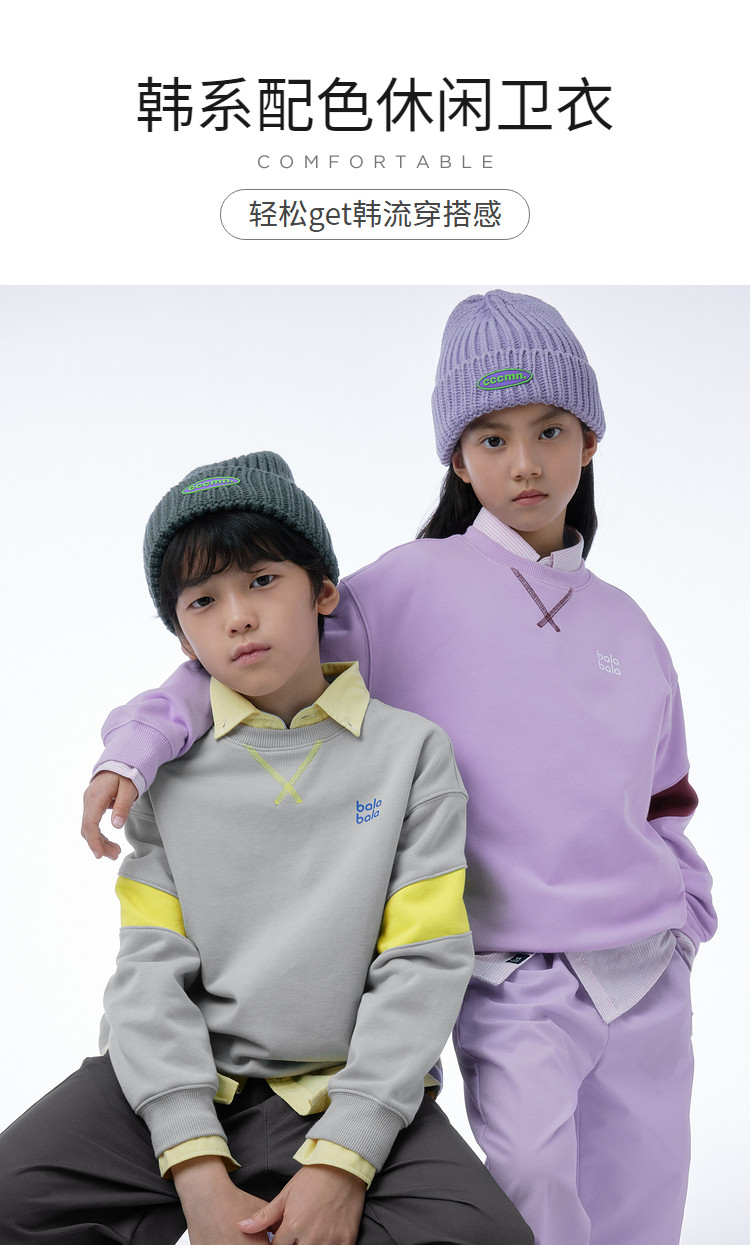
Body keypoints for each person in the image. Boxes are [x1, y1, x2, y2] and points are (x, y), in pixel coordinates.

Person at [80, 292, 717, 1245]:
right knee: (534, 1184)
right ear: (458, 459)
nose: (526, 462)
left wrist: (687, 910)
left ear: (590, 441)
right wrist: (133, 746)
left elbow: (668, 794)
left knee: (645, 1201)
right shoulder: (402, 589)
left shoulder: (629, 624)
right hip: (507, 966)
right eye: (492, 438)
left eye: (550, 430)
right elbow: (241, 661)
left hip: (647, 960)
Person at [0, 451, 531, 1245]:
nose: (238, 616)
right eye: (203, 600)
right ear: (184, 639)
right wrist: (195, 1167)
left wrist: (344, 1159)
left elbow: (422, 964)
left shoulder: (411, 753)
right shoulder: (167, 773)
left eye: (261, 580)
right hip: (181, 1082)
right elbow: (148, 973)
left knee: (488, 1237)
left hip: (349, 1086)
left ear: (323, 591)